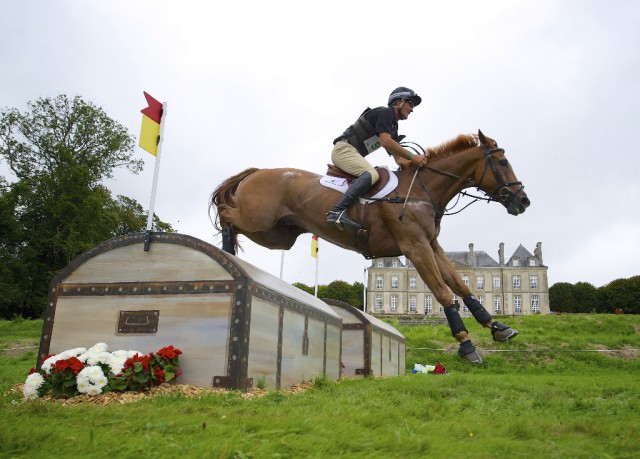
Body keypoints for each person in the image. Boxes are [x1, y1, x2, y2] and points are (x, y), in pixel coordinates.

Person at [326, 87, 429, 230]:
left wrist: (416, 165)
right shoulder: (386, 113)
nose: (412, 109)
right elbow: (386, 141)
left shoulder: (392, 126)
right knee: (372, 174)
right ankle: (337, 211)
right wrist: (413, 156)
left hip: (350, 152)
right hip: (343, 150)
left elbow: (398, 160)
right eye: (410, 103)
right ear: (398, 102)